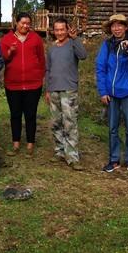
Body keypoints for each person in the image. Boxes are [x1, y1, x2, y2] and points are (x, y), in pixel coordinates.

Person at [95, 14, 128, 177]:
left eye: (119, 25)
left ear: (126, 27)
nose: (116, 28)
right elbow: (100, 68)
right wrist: (103, 91)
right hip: (111, 94)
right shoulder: (106, 45)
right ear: (110, 28)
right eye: (113, 26)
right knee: (112, 128)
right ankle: (114, 160)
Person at [1, 12, 46, 157]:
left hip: (33, 84)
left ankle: (30, 143)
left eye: (28, 23)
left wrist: (42, 76)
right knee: (15, 114)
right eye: (22, 23)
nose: (25, 26)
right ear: (16, 22)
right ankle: (15, 143)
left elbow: (41, 59)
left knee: (31, 114)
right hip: (13, 84)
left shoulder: (36, 38)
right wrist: (10, 51)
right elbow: (3, 59)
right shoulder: (7, 39)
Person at [46, 17, 87, 170]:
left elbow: (83, 55)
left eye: (62, 29)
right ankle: (60, 152)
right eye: (56, 30)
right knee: (56, 123)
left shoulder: (73, 44)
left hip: (69, 89)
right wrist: (48, 89)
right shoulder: (51, 48)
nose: (59, 32)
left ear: (67, 29)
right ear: (53, 31)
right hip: (54, 89)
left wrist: (76, 39)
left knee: (70, 123)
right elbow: (48, 69)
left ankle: (73, 156)